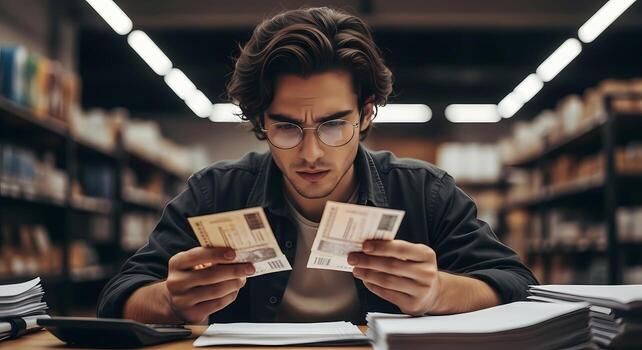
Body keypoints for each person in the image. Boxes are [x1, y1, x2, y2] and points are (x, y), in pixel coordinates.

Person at [98, 7, 537, 325]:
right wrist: (171, 301)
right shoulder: (214, 193)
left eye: (333, 125)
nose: (311, 153)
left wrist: (440, 293)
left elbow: (517, 285)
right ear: (259, 122)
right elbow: (118, 297)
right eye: (287, 127)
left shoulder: (425, 192)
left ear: (365, 115)